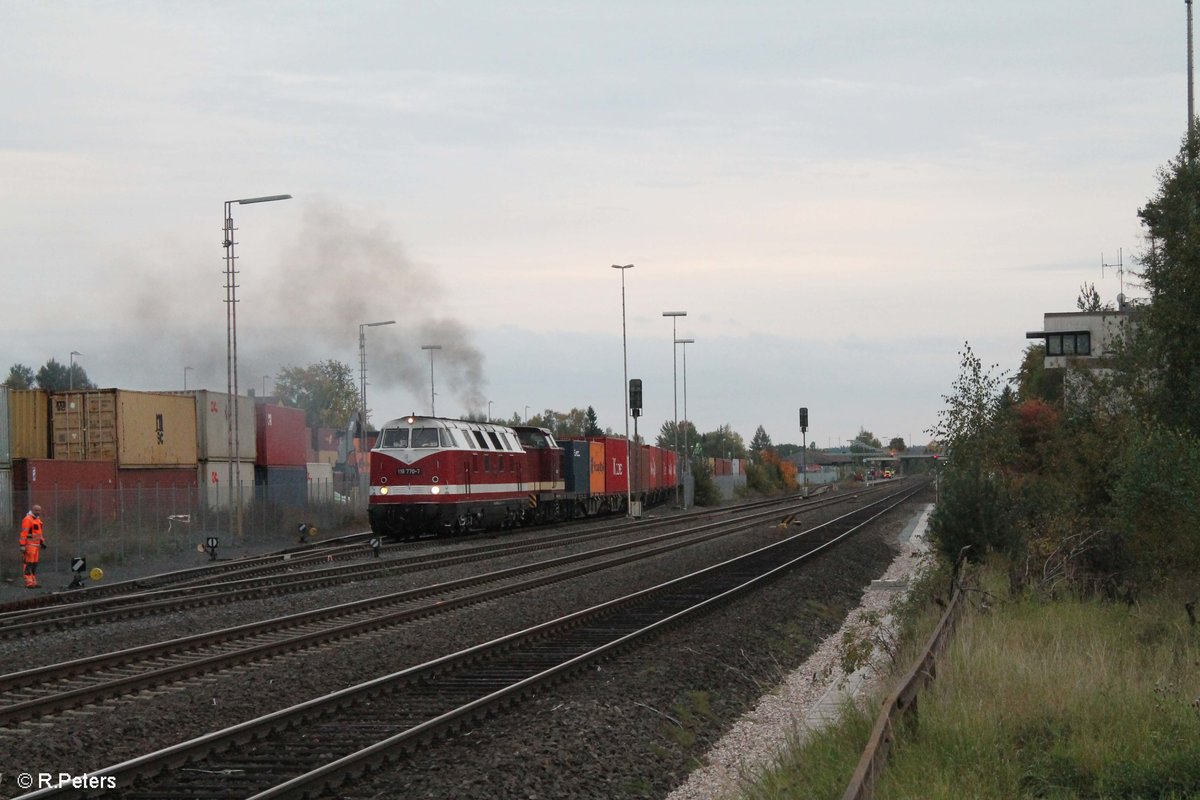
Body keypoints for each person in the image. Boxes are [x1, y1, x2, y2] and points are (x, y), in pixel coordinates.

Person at [19, 505, 46, 589]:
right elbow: (24, 533)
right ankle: (29, 583)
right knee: (28, 564)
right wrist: (22, 545)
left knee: (34, 565)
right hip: (29, 546)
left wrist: (42, 542)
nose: (38, 512)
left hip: (36, 546)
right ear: (32, 510)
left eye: (39, 510)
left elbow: (39, 533)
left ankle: (33, 582)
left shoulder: (37, 520)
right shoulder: (28, 519)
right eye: (36, 510)